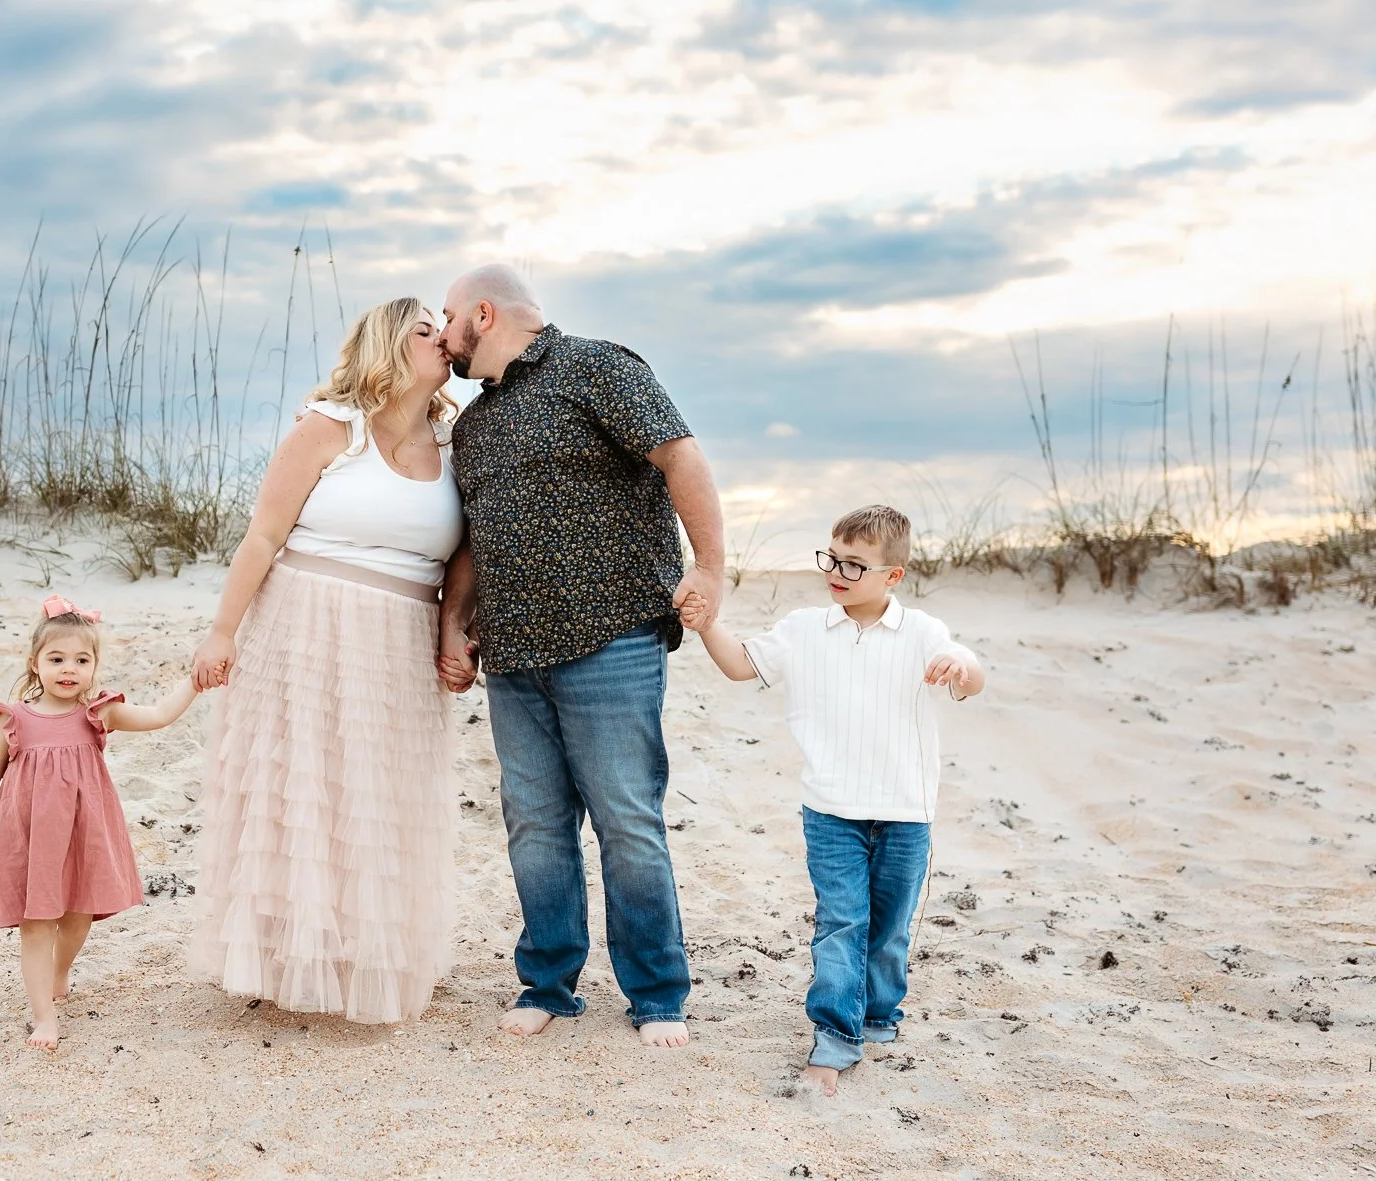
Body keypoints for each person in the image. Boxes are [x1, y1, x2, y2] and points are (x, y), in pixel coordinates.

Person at [435, 263, 725, 1049]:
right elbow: (472, 538)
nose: (443, 333)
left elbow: (681, 457)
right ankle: (549, 980)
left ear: (483, 314)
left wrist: (710, 567)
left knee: (627, 820)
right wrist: (452, 622)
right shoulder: (472, 425)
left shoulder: (597, 366)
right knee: (533, 823)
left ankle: (658, 995)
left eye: (448, 317)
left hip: (613, 638)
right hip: (514, 652)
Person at [189, 297, 464, 1025]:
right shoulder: (330, 428)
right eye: (425, 331)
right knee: (301, 787)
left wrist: (455, 629)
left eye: (445, 329)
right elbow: (262, 537)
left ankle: (366, 952)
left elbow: (467, 552)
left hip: (401, 637)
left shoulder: (456, 440)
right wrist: (222, 631)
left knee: (382, 795)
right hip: (302, 625)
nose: (444, 339)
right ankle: (282, 957)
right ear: (388, 345)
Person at [680, 504, 985, 1097]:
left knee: (890, 928)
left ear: (893, 575)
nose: (837, 573)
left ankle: (877, 1014)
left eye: (855, 565)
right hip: (830, 811)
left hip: (906, 813)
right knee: (842, 922)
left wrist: (961, 665)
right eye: (832, 559)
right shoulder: (802, 630)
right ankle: (835, 1036)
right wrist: (706, 624)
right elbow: (741, 665)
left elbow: (972, 674)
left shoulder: (923, 632)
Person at [0, 596, 199, 1051]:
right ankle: (44, 1018)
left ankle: (60, 970)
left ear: (94, 667)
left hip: (84, 829)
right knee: (36, 920)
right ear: (35, 664)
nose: (68, 669)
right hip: (30, 834)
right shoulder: (14, 719)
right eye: (56, 659)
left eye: (81, 659)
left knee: (77, 916)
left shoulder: (99, 714)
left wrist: (194, 682)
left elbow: (158, 716)